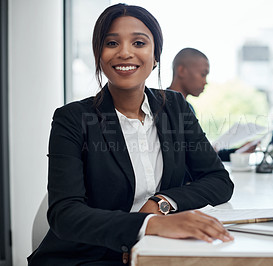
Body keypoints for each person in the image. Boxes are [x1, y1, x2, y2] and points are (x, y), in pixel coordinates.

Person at [28, 4, 234, 265]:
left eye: (138, 42)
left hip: (156, 250)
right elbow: (65, 214)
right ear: (99, 55)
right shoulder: (71, 119)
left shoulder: (175, 107)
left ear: (155, 55)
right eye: (112, 43)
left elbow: (218, 180)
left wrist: (162, 202)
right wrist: (148, 224)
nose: (125, 53)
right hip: (87, 257)